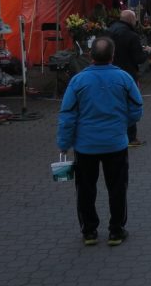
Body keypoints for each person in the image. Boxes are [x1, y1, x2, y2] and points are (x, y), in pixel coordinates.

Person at [57, 37, 142, 246]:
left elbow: (67, 115)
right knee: (117, 188)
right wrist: (122, 124)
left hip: (85, 146)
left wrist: (63, 143)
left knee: (85, 190)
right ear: (112, 56)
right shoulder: (124, 78)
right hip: (115, 144)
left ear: (90, 55)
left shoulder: (78, 81)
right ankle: (116, 231)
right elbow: (136, 108)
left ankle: (89, 232)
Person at [107, 10, 151, 147]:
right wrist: (146, 52)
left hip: (109, 73)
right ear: (131, 20)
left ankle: (115, 133)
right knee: (130, 104)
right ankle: (131, 137)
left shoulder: (110, 30)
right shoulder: (131, 35)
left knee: (114, 104)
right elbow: (138, 58)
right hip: (127, 74)